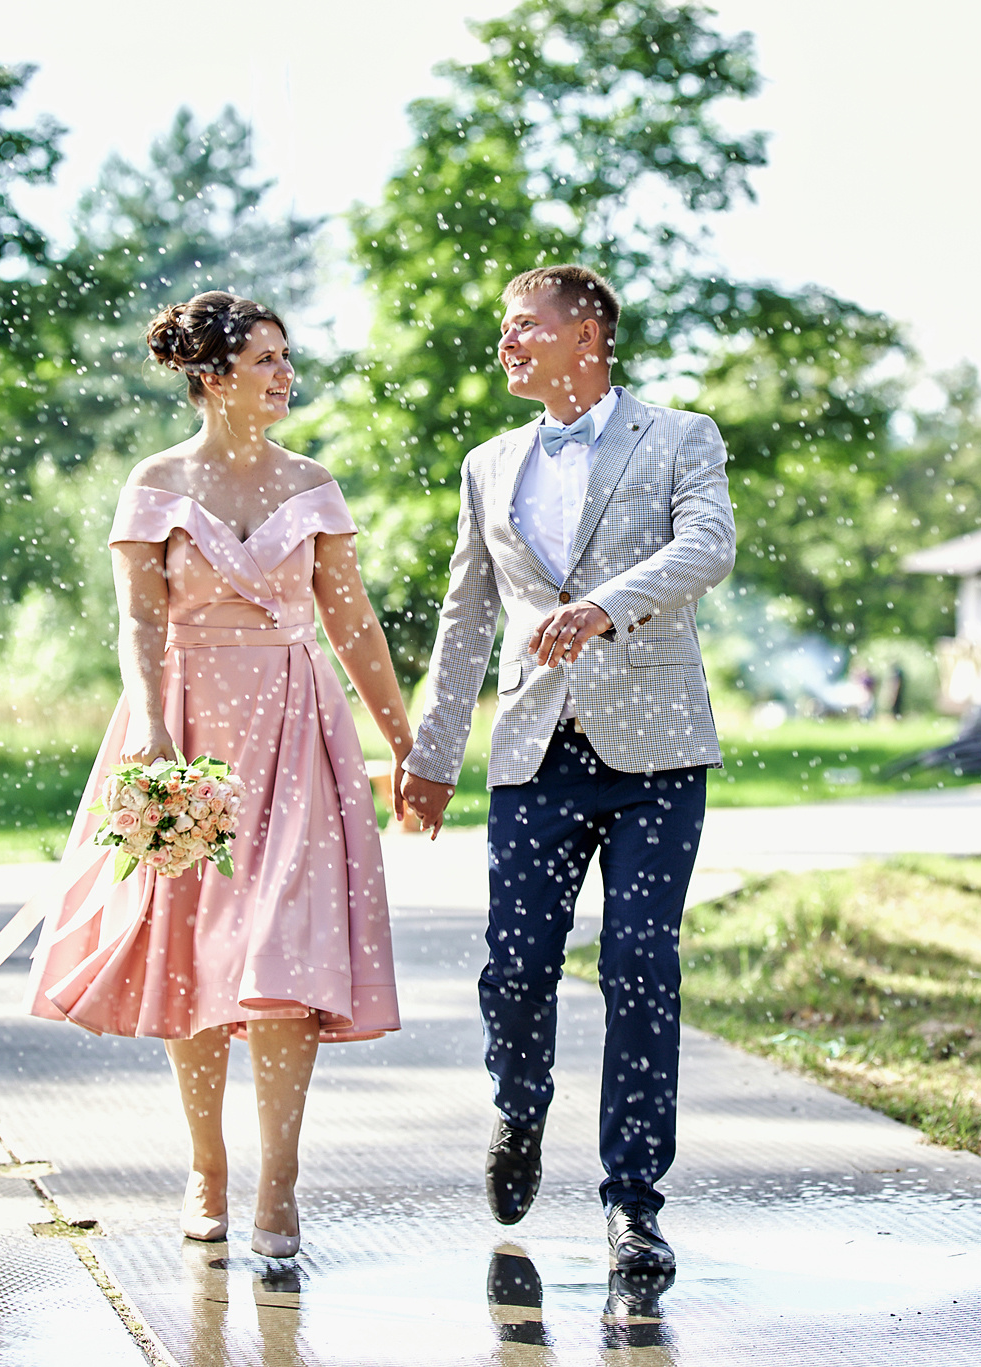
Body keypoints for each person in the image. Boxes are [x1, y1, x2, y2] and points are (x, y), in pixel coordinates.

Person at [0, 291, 409, 1262]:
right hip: (181, 726)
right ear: (212, 375)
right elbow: (139, 622)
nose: (283, 376)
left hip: (299, 734)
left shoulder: (312, 485)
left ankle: (279, 1180)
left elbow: (351, 624)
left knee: (286, 954)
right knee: (193, 951)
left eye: (284, 357)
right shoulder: (155, 483)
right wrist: (147, 722)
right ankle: (205, 1165)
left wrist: (400, 742)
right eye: (264, 359)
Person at [398, 265, 736, 1271]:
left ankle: (633, 1198)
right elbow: (465, 616)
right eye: (502, 328)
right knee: (512, 967)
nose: (505, 343)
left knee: (640, 964)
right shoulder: (487, 461)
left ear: (585, 332)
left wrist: (603, 606)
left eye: (522, 326)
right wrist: (429, 750)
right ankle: (518, 1104)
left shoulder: (678, 437)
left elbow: (707, 546)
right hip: (533, 753)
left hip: (657, 756)